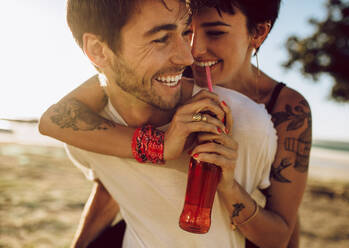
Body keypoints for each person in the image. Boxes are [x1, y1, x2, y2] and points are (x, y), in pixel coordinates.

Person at [39, 0, 280, 247]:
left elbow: (279, 236)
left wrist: (228, 187)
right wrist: (159, 147)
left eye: (186, 33)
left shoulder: (246, 125)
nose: (188, 57)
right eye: (161, 38)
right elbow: (112, 188)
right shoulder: (88, 131)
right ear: (99, 51)